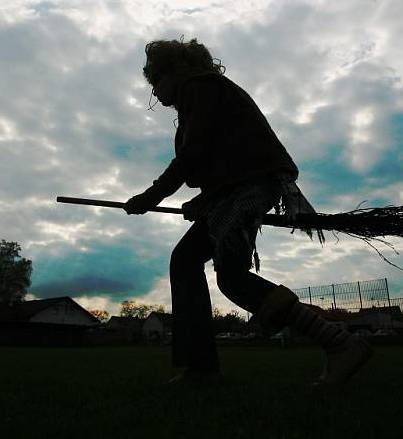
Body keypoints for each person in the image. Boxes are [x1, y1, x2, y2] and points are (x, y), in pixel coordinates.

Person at [123, 38, 372, 386]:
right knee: (188, 261)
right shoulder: (204, 95)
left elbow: (193, 156)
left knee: (231, 277)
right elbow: (218, 163)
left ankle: (339, 342)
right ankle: (202, 367)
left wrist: (151, 196)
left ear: (176, 71)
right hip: (237, 190)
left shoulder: (200, 87)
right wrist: (204, 202)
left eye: (157, 82)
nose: (157, 93)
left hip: (251, 188)